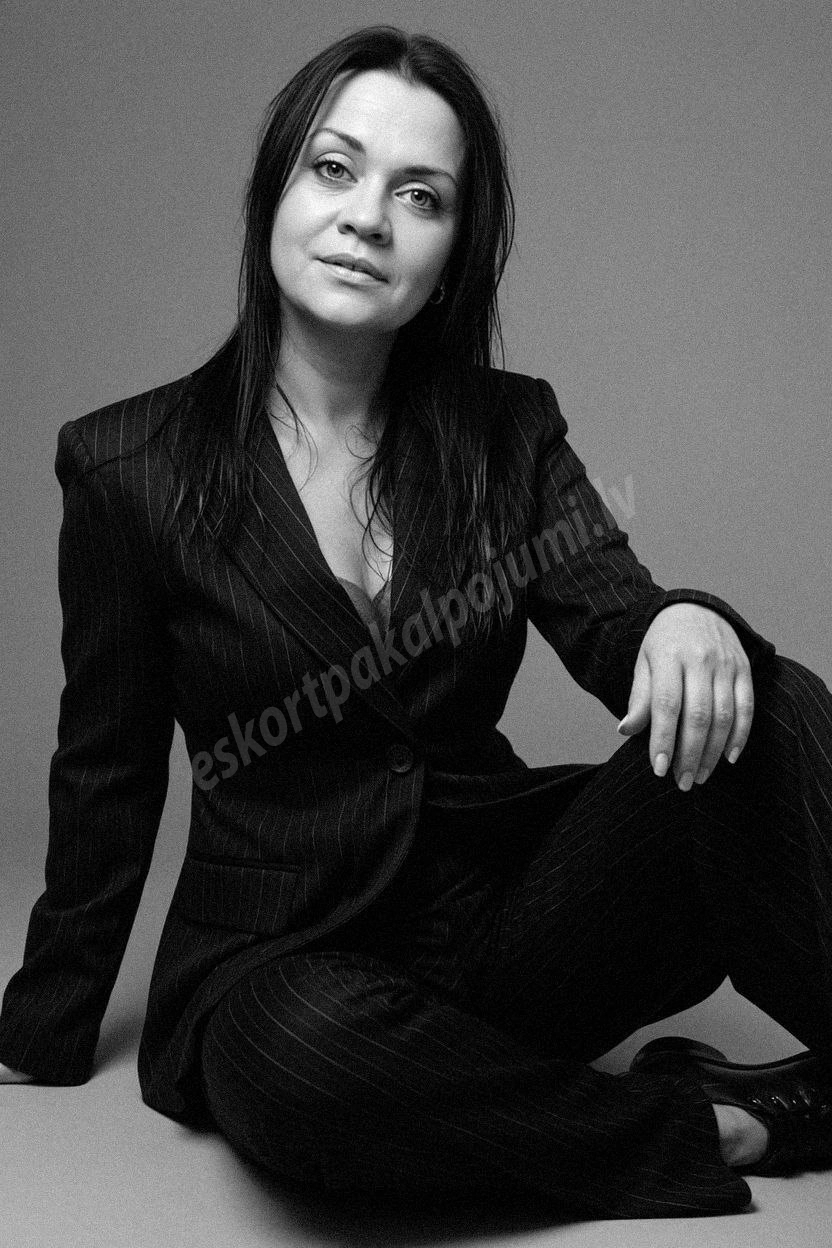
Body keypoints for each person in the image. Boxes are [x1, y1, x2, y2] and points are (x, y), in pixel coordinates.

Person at [1, 23, 831, 1222]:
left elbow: (616, 623)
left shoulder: (507, 431)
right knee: (300, 1069)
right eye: (334, 169)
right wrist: (45, 1025)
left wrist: (687, 620)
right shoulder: (129, 465)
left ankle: (527, 1098)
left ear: (451, 254)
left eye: (419, 195)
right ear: (273, 192)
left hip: (515, 930)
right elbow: (107, 772)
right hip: (286, 962)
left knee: (763, 695)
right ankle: (725, 1125)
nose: (367, 218)